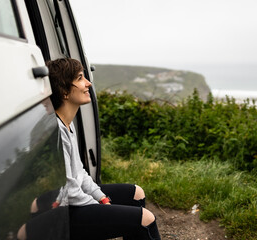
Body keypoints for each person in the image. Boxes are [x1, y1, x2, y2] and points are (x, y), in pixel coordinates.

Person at [17, 58, 161, 240]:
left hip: (73, 199)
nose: (88, 83)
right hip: (65, 210)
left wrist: (103, 199)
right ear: (64, 91)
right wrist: (99, 208)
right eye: (79, 78)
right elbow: (68, 189)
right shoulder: (56, 132)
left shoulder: (67, 124)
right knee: (145, 219)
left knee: (136, 194)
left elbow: (80, 173)